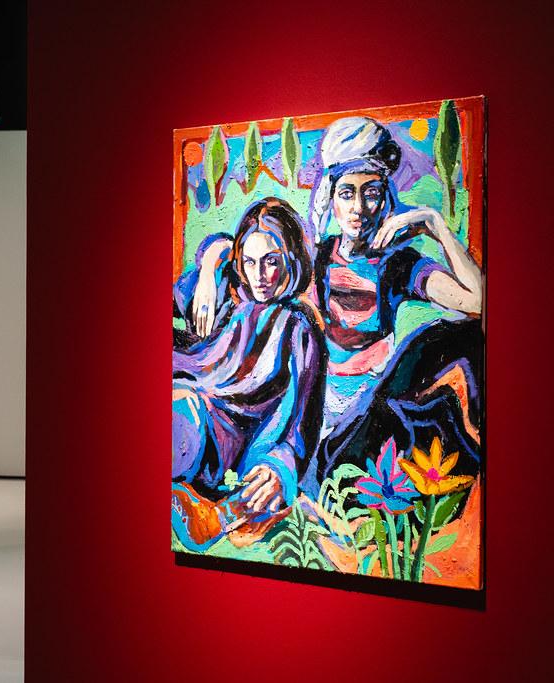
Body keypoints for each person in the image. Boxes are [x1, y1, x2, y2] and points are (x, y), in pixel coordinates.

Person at [189, 116, 484, 498]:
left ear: (385, 196)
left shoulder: (399, 266)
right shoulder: (314, 258)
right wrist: (209, 270)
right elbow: (250, 244)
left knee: (451, 337)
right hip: (311, 418)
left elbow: (478, 301)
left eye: (371, 192)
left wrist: (435, 224)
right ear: (330, 196)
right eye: (347, 193)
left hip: (371, 417)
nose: (359, 208)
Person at [172, 198, 325, 551]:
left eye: (271, 262)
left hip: (221, 438)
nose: (259, 276)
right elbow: (211, 255)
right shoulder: (230, 294)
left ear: (290, 261)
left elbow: (299, 419)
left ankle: (219, 515)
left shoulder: (297, 325)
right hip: (188, 396)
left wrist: (279, 467)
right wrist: (209, 270)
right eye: (250, 262)